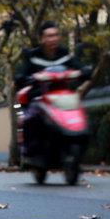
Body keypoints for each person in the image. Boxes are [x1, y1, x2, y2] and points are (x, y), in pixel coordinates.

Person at [15, 22, 87, 156]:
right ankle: (29, 148)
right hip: (39, 96)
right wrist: (22, 77)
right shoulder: (33, 57)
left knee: (79, 109)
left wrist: (84, 70)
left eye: (55, 35)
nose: (53, 39)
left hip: (61, 97)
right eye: (49, 36)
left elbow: (77, 65)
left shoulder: (64, 54)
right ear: (42, 39)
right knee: (29, 116)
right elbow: (21, 74)